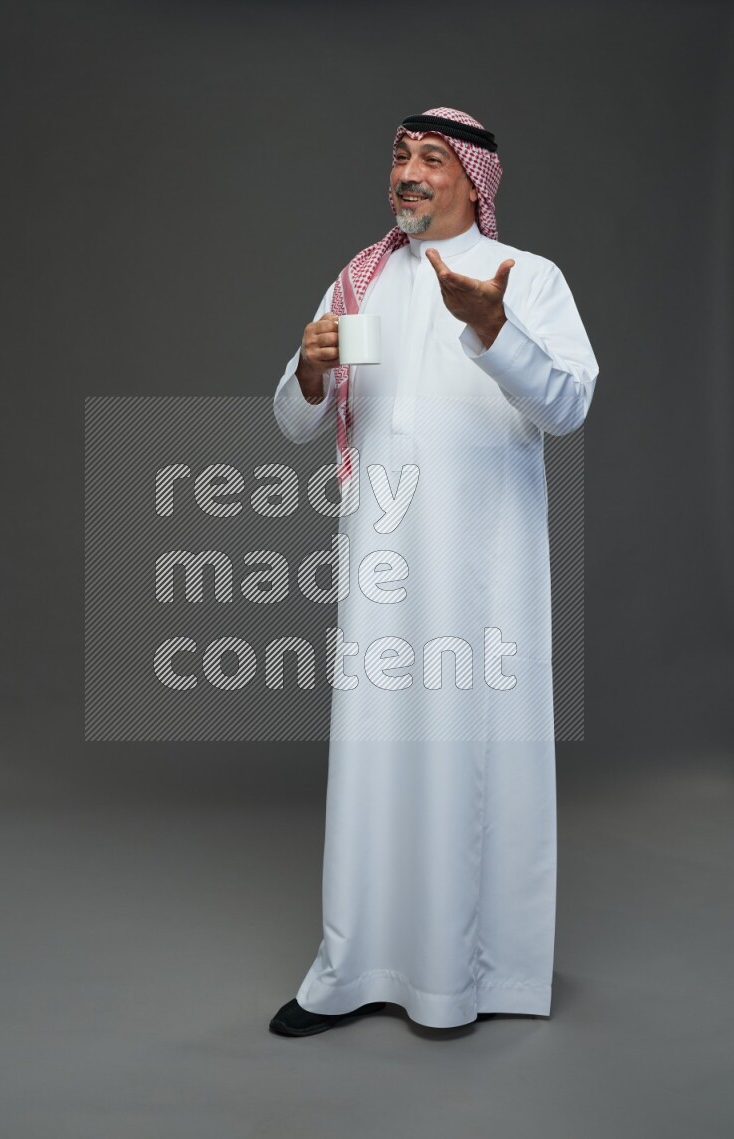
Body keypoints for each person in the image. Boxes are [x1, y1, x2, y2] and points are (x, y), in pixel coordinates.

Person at [269, 107, 599, 1036]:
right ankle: (355, 966)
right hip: (381, 565)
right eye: (399, 156)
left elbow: (569, 406)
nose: (407, 173)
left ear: (475, 180)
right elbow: (298, 421)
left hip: (483, 572)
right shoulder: (358, 280)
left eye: (431, 159)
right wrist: (306, 367)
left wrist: (495, 329)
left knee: (470, 751)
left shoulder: (528, 279)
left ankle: (468, 977)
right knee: (376, 754)